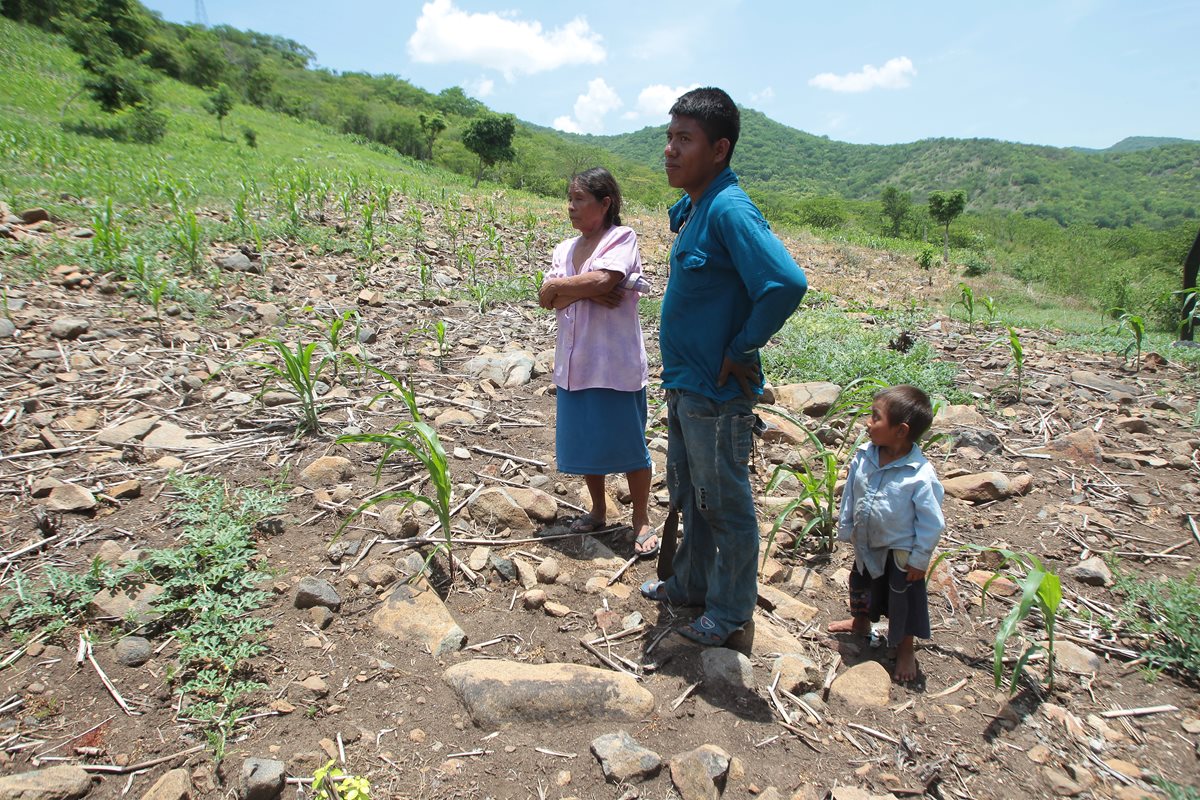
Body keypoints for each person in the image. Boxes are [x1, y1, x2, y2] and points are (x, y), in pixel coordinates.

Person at [639, 87, 808, 646]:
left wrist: (741, 348)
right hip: (688, 386)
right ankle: (690, 584)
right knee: (692, 495)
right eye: (669, 137)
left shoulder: (730, 208)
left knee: (725, 504)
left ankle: (731, 610)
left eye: (684, 139)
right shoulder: (696, 205)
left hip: (716, 392)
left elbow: (785, 283)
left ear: (719, 148)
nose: (669, 149)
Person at [538, 167, 656, 554]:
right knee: (588, 442)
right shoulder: (564, 249)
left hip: (615, 364)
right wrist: (579, 289)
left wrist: (567, 287)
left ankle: (641, 519)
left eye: (579, 200)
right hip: (576, 363)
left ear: (605, 203)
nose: (570, 207)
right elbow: (548, 298)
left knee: (630, 443)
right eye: (569, 199)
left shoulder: (621, 237)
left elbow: (605, 281)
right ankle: (599, 509)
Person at [828, 385, 946, 682]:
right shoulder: (865, 456)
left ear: (900, 431)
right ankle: (861, 622)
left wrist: (920, 559)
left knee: (901, 598)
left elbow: (932, 522)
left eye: (875, 417)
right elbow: (850, 496)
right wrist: (846, 527)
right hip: (867, 540)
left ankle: (905, 647)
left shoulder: (919, 475)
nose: (867, 423)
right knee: (862, 582)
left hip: (900, 551)